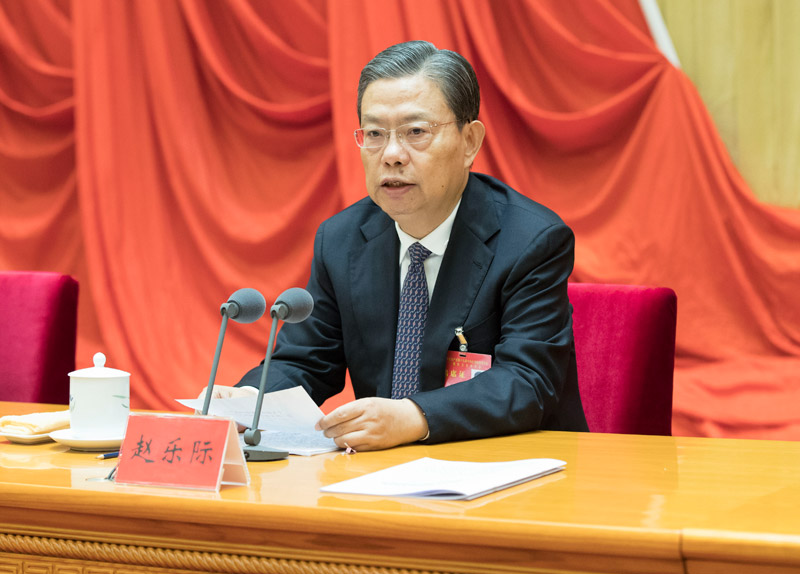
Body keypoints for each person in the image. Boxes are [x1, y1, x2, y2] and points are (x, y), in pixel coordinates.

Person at [206, 40, 588, 450]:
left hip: (515, 463)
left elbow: (529, 381)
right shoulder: (342, 239)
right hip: (383, 469)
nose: (391, 154)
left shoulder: (530, 240)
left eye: (415, 132)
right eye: (374, 134)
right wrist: (251, 401)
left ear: (469, 142)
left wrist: (414, 416)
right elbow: (306, 359)